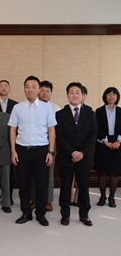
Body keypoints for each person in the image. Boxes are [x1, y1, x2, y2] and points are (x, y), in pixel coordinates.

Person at [8, 76, 56, 227]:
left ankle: (41, 214)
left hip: (42, 150)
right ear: (24, 89)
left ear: (39, 89)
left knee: (41, 185)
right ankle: (26, 213)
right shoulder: (17, 108)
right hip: (22, 151)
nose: (30, 89)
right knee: (24, 185)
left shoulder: (46, 107)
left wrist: (51, 151)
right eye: (27, 86)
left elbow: (51, 130)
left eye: (34, 87)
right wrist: (13, 151)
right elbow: (12, 130)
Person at [56, 82, 97, 226]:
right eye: (71, 92)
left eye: (77, 92)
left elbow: (92, 135)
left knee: (84, 187)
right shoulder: (60, 114)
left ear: (82, 95)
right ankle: (65, 214)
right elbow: (59, 135)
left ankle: (84, 214)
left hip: (84, 158)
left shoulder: (90, 113)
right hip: (67, 157)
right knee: (65, 187)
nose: (74, 95)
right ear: (67, 95)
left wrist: (82, 153)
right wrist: (72, 152)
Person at [30, 81, 61, 212]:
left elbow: (58, 130)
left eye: (47, 91)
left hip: (50, 146)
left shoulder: (56, 109)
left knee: (48, 174)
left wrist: (51, 148)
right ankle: (34, 199)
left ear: (51, 94)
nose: (44, 93)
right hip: (34, 146)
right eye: (42, 90)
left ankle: (48, 201)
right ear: (37, 91)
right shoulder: (30, 106)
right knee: (33, 174)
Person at [94, 87, 121, 208]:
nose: (111, 96)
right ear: (105, 96)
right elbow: (96, 128)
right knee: (102, 172)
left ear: (117, 97)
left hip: (117, 144)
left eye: (114, 94)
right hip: (102, 144)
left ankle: (112, 198)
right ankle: (103, 196)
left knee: (115, 173)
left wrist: (118, 141)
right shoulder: (98, 111)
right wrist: (105, 141)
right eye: (109, 94)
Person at [0, 79, 18, 205]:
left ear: (9, 90)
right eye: (1, 86)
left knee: (9, 173)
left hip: (10, 143)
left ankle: (8, 197)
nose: (4, 88)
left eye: (6, 86)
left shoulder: (16, 106)